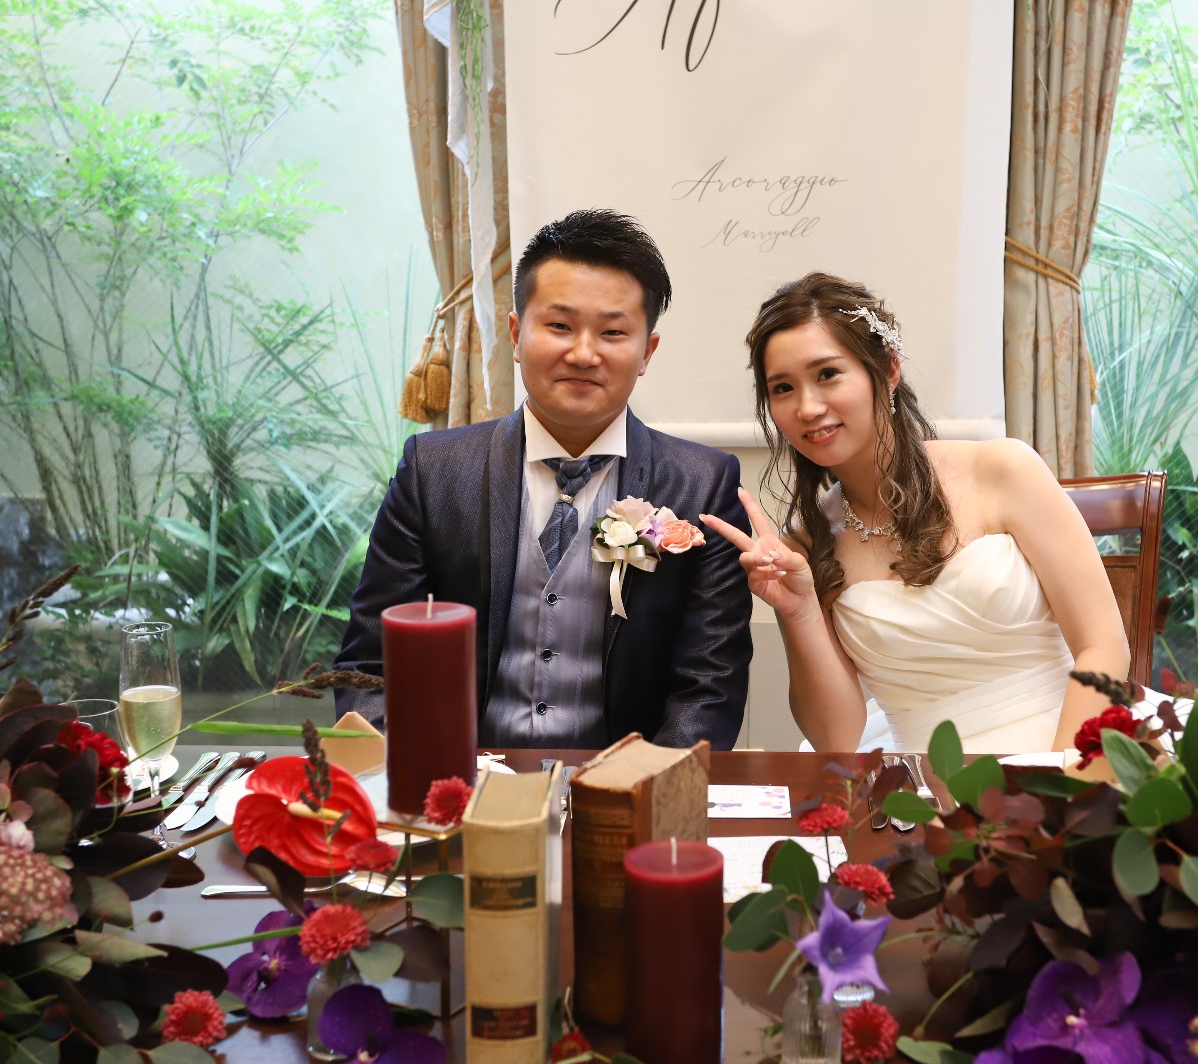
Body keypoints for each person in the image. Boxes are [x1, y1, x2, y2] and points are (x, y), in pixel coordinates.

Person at [336, 209, 753, 749]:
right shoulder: (432, 471)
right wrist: (423, 781)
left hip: (629, 784)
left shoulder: (704, 484)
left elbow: (709, 686)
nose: (583, 353)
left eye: (613, 332)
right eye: (559, 326)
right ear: (516, 334)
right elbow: (373, 665)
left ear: (646, 351)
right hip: (461, 781)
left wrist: (647, 786)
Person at [702, 272, 1127, 754]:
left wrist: (1056, 781)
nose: (808, 407)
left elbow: (1104, 646)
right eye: (782, 388)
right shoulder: (802, 544)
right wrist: (798, 610)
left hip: (1070, 757)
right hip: (920, 786)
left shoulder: (1003, 470)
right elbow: (836, 738)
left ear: (888, 370)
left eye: (827, 374)